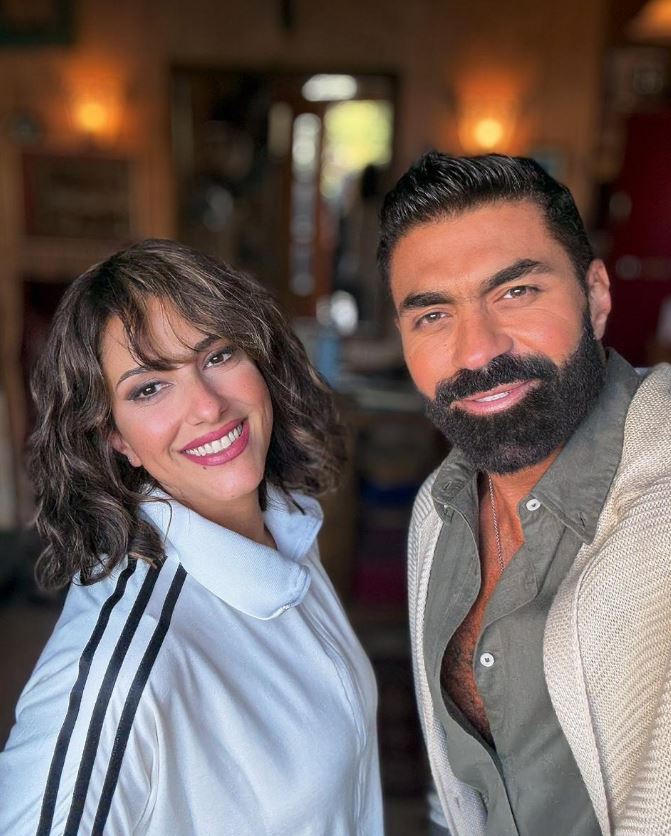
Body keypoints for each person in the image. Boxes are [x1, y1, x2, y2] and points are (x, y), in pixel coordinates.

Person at [0, 239, 384, 835]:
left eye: (219, 355)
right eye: (149, 388)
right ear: (114, 437)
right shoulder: (116, 673)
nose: (207, 406)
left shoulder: (287, 531)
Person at [378, 151, 671, 836]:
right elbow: (462, 791)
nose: (477, 350)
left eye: (515, 292)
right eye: (432, 315)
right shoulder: (440, 510)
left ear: (596, 296)